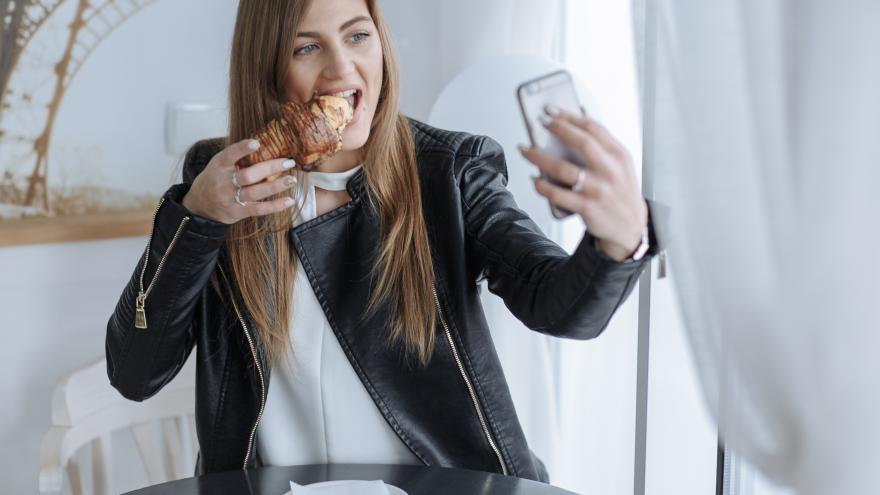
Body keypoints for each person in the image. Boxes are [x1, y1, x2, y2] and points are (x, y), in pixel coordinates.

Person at [106, 0, 658, 482]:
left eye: (357, 35)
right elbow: (135, 373)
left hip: (444, 486)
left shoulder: (449, 171)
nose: (342, 69)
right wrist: (197, 218)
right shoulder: (219, 179)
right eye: (306, 48)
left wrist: (619, 239)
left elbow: (560, 306)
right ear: (268, 71)